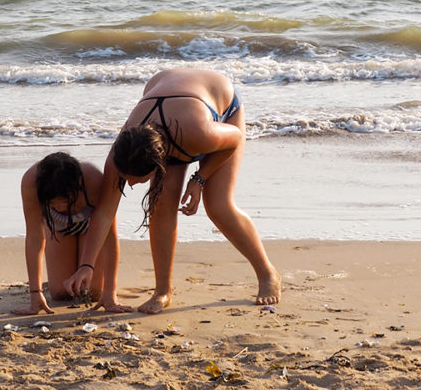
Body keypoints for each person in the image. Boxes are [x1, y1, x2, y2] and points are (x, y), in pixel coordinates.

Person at [64, 68, 280, 313]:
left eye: (137, 180)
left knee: (218, 206)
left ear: (159, 165)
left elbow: (236, 138)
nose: (131, 185)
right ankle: (163, 291)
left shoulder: (200, 134)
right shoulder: (120, 152)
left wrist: (199, 179)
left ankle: (267, 273)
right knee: (161, 206)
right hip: (166, 101)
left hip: (218, 110)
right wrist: (86, 265)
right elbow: (104, 213)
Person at [16, 152, 129, 315]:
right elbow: (34, 237)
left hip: (91, 227)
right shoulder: (31, 182)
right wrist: (35, 293)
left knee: (93, 293)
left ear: (80, 183)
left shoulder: (94, 179)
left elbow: (109, 237)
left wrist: (110, 293)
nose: (61, 207)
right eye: (53, 204)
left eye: (68, 201)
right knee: (60, 294)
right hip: (57, 227)